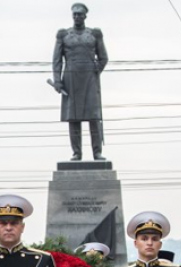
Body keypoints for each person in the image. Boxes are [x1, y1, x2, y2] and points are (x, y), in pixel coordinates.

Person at [52, 2, 108, 161]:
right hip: (71, 80)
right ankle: (77, 153)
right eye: (74, 14)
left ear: (85, 16)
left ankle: (97, 152)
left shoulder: (94, 34)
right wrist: (57, 80)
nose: (76, 17)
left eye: (79, 14)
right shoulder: (63, 35)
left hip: (90, 80)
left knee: (94, 117)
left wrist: (95, 70)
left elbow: (103, 57)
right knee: (74, 118)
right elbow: (56, 60)